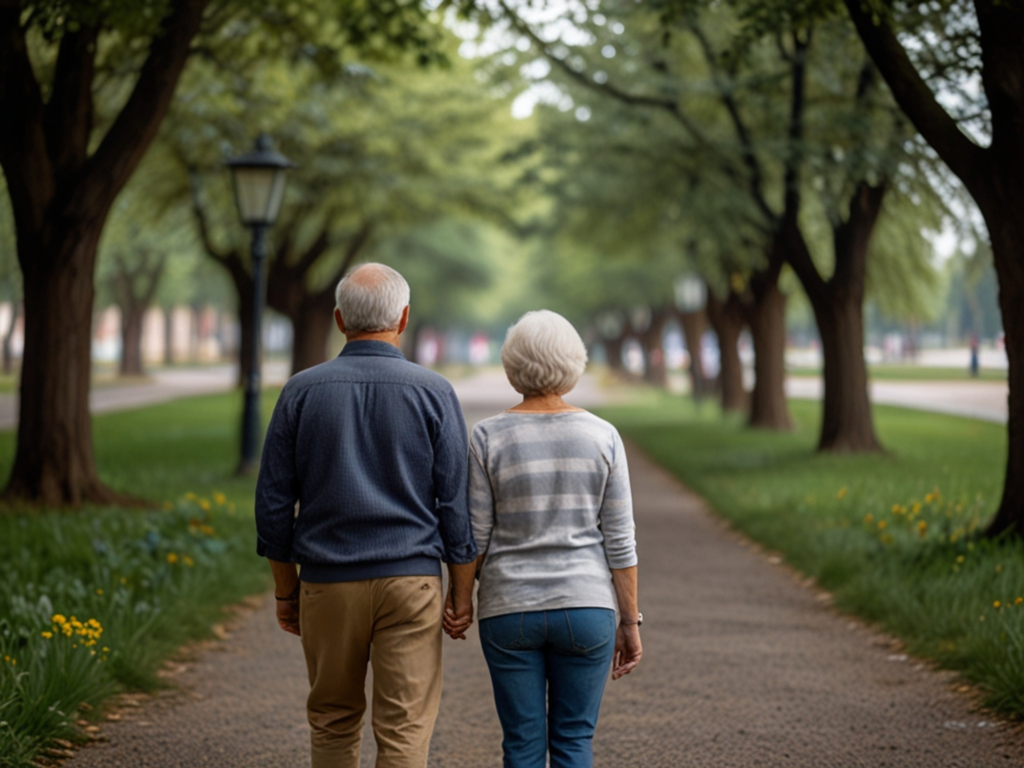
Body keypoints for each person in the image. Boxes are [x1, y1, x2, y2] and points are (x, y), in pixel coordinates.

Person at [255, 263, 478, 768]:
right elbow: (455, 505)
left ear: (338, 319)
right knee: (403, 731)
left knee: (333, 720)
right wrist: (462, 592)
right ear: (402, 319)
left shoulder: (301, 391)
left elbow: (272, 505)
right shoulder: (434, 392)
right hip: (412, 583)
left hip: (327, 582)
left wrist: (286, 590)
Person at [445, 309, 642, 768]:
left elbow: (474, 534)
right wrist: (629, 622)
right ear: (574, 363)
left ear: (512, 365)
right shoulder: (603, 436)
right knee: (574, 741)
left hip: (509, 609)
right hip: (587, 607)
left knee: (522, 745)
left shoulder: (487, 437)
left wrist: (462, 600)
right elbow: (620, 540)